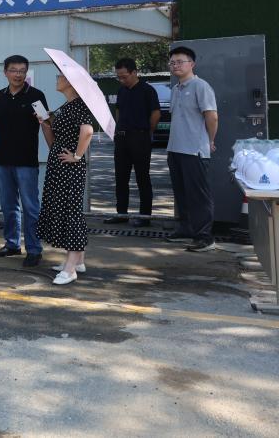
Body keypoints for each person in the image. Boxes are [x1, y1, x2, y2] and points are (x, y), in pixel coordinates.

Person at [0, 55, 49, 267]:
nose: (18, 75)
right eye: (14, 70)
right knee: (8, 205)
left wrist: (53, 149)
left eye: (22, 71)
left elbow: (46, 124)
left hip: (27, 161)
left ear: (26, 73)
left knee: (30, 207)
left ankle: (34, 249)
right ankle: (12, 244)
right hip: (3, 160)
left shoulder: (36, 96)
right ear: (5, 72)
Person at [36, 73, 96, 285]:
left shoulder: (79, 105)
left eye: (60, 76)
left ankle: (70, 269)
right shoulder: (66, 106)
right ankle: (78, 261)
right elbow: (54, 142)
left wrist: (77, 156)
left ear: (70, 81)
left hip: (70, 168)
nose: (57, 79)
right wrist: (45, 123)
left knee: (71, 212)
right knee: (65, 209)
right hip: (59, 165)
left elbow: (87, 131)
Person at [164, 46, 218, 252]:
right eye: (172, 63)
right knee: (181, 193)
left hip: (194, 150)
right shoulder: (176, 89)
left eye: (180, 62)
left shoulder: (200, 86)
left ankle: (205, 237)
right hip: (175, 149)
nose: (175, 65)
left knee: (198, 196)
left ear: (192, 64)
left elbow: (212, 116)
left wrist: (210, 140)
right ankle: (186, 229)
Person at [108, 58, 161, 227]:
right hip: (122, 138)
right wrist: (118, 129)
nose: (121, 80)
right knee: (120, 177)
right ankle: (121, 213)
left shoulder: (147, 90)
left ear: (134, 72)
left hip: (140, 137)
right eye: (119, 77)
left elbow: (155, 114)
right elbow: (118, 110)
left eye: (124, 76)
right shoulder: (121, 90)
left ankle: (145, 216)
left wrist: (147, 132)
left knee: (142, 177)